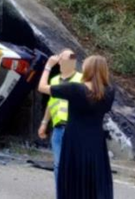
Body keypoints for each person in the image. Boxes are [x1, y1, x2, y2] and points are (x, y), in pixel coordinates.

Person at [38, 55, 115, 199]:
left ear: (88, 69)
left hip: (75, 140)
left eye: (84, 65)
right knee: (94, 180)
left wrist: (48, 66)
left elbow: (42, 87)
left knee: (73, 180)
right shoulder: (109, 92)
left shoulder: (75, 89)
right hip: (96, 142)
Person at [37, 49, 82, 186]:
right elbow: (52, 103)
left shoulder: (81, 79)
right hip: (58, 129)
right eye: (62, 58)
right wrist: (44, 123)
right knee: (58, 165)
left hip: (75, 129)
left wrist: (48, 66)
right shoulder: (55, 80)